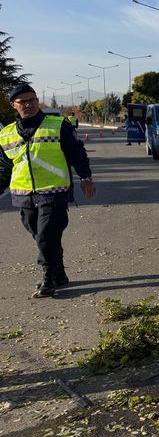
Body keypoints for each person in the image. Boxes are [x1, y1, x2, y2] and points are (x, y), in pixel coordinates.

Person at [0, 84, 96, 298]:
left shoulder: (58, 125)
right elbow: (5, 168)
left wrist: (85, 177)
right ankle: (59, 273)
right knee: (41, 236)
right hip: (23, 196)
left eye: (32, 100)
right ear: (13, 105)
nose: (29, 104)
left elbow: (76, 153)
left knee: (46, 236)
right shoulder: (5, 134)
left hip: (54, 192)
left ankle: (49, 278)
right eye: (23, 101)